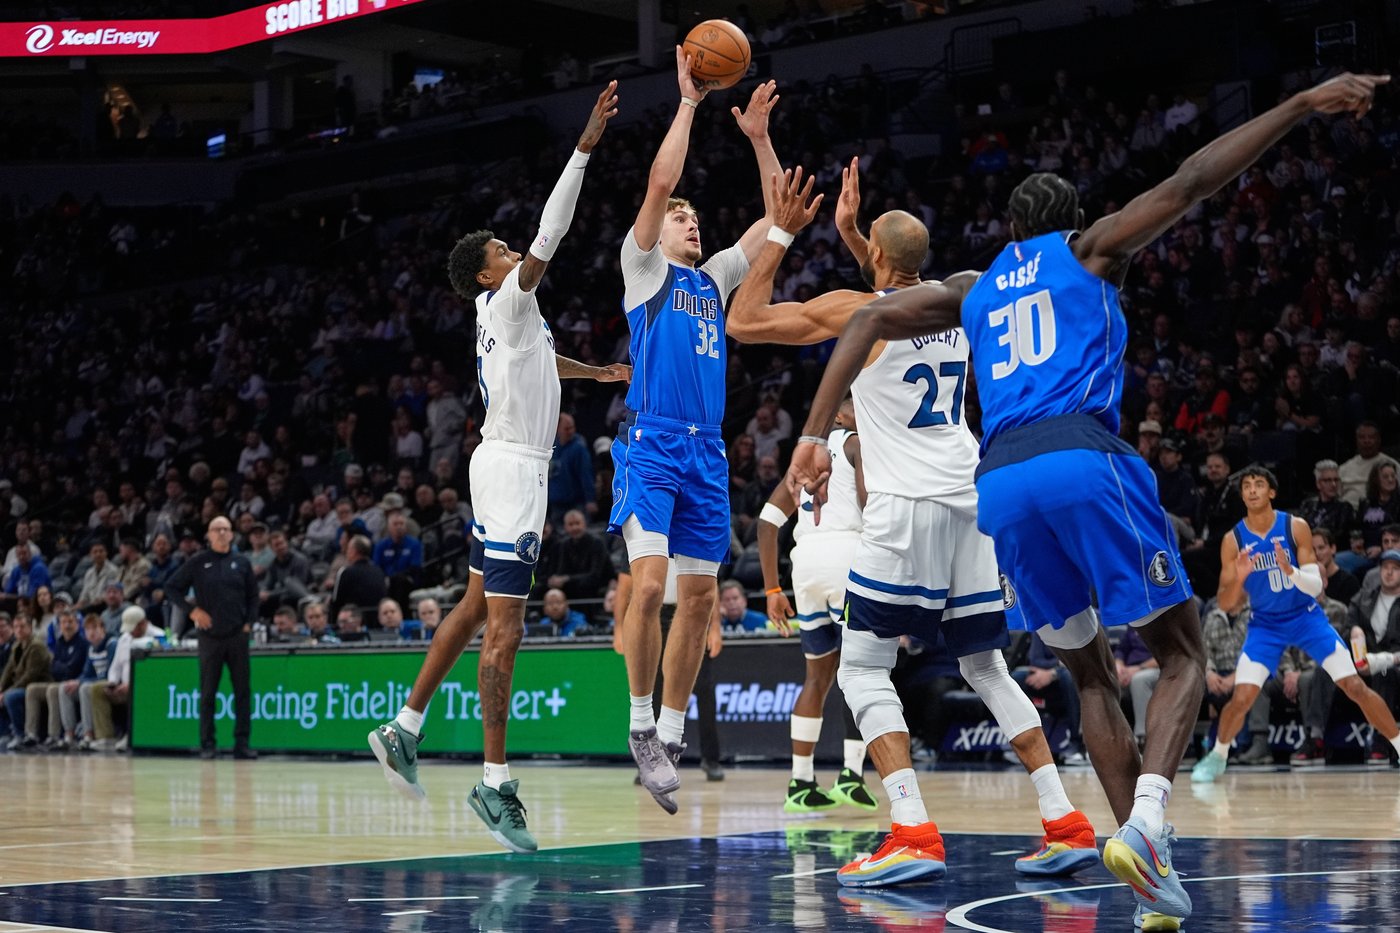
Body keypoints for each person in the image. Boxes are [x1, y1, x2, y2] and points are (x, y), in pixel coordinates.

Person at [786, 73, 1391, 925]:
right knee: (1181, 653)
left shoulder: (974, 285)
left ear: (1010, 231)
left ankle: (1150, 878)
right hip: (1080, 456)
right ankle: (1146, 822)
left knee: (1091, 678)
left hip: (999, 483)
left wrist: (811, 438)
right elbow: (1191, 181)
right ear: (1069, 224)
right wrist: (1299, 105)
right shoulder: (1090, 248)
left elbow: (862, 322)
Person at [733, 162, 1096, 886]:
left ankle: (911, 830)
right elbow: (897, 288)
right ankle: (1066, 821)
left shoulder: (853, 309)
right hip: (971, 497)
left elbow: (747, 317)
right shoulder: (961, 298)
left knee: (863, 669)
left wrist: (782, 230)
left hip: (902, 505)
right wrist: (856, 237)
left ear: (876, 260)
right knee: (985, 663)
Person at [368, 84, 628, 855]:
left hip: (502, 462)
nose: (515, 255)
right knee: (506, 630)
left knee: (478, 603)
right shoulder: (510, 300)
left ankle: (404, 725)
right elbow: (554, 228)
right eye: (503, 255)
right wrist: (583, 146)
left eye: (512, 253)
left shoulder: (502, 320)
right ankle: (494, 779)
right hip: (514, 471)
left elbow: (546, 362)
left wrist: (599, 373)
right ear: (487, 275)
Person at [607, 51, 782, 815]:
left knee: (702, 596)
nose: (689, 220)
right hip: (652, 442)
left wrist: (758, 138)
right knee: (649, 587)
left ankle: (670, 737)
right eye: (683, 216)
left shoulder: (711, 281)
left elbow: (777, 216)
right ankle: (640, 722)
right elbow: (658, 184)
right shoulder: (643, 271)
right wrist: (688, 103)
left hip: (707, 451)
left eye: (694, 219)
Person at [1194, 466, 1400, 782]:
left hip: (1306, 618)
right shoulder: (1232, 540)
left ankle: (1398, 744)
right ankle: (1218, 756)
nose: (1251, 490)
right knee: (1242, 696)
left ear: (1271, 492)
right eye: (1246, 485)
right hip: (1264, 625)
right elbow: (1226, 603)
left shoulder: (1295, 527)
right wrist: (1242, 577)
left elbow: (1317, 587)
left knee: (1355, 685)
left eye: (1259, 484)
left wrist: (1290, 570)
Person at [757, 399, 877, 813]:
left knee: (817, 678)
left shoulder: (805, 461)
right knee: (862, 671)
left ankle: (801, 781)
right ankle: (851, 774)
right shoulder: (856, 443)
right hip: (848, 555)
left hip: (804, 564)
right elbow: (868, 503)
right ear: (842, 416)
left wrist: (772, 591)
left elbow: (767, 523)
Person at [164, 516, 259, 760]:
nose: (221, 533)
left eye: (226, 529)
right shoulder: (198, 562)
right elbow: (171, 588)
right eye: (217, 529)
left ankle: (242, 743)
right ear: (209, 534)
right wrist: (192, 611)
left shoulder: (242, 562)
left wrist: (249, 623)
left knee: (242, 692)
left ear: (232, 534)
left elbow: (253, 597)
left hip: (237, 635)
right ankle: (207, 743)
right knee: (208, 693)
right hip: (209, 637)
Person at [1345, 549, 1400, 763]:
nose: (1389, 573)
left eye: (1395, 569)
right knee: (1324, 672)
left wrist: (1383, 660)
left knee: (1385, 674)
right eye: (1385, 568)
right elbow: (1347, 625)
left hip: (1393, 663)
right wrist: (1354, 632)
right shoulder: (1364, 598)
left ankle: (1382, 739)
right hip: (1363, 660)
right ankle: (1315, 738)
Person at [0, 614, 51, 748]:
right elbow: (8, 670)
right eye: (16, 627)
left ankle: (20, 734)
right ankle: (5, 733)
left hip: (38, 685)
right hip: (24, 686)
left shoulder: (36, 646)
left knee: (10, 697)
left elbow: (30, 676)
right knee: (4, 695)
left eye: (22, 626)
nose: (19, 630)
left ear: (30, 627)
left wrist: (6, 692)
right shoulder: (17, 646)